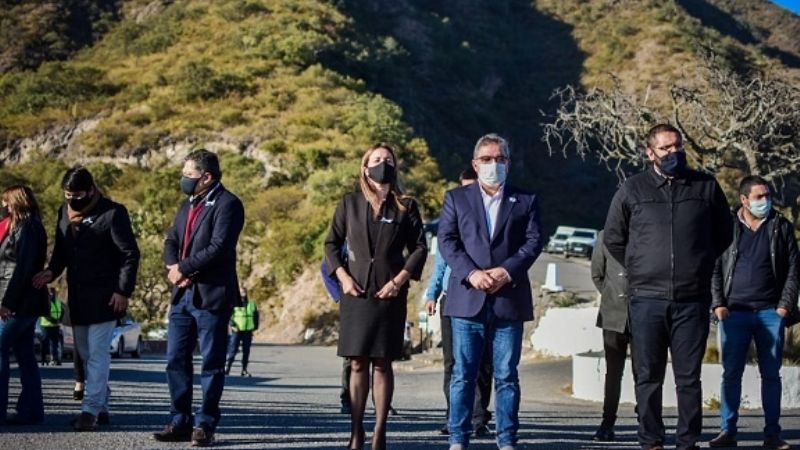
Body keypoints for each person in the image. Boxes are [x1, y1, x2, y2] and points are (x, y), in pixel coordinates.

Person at [603, 123, 733, 450]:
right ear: (650, 153)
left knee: (689, 379)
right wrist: (640, 268)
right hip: (646, 300)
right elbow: (614, 240)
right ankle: (651, 440)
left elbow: (723, 235)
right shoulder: (632, 189)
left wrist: (698, 264)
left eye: (677, 146)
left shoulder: (705, 187)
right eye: (665, 148)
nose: (674, 152)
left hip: (692, 300)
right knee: (648, 377)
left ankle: (687, 441)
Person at [438, 133, 544, 450]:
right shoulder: (456, 198)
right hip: (467, 300)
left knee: (507, 376)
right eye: (486, 159)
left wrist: (506, 270)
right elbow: (448, 241)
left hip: (508, 299)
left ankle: (507, 438)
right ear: (475, 163)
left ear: (508, 163)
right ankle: (458, 437)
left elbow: (534, 242)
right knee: (462, 375)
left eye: (499, 159)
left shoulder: (526, 200)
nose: (493, 164)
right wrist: (471, 273)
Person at [324, 143, 427, 450]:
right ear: (365, 167)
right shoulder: (349, 203)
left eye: (388, 160)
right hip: (355, 292)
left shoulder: (407, 205)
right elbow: (331, 244)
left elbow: (420, 247)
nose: (383, 164)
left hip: (389, 293)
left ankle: (380, 432)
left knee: (382, 363)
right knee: (357, 362)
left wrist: (399, 281)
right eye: (377, 159)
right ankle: (356, 432)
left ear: (395, 167)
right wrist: (341, 277)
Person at [33, 167, 140, 432]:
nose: (72, 200)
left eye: (77, 195)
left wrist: (122, 291)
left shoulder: (113, 212)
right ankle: (101, 401)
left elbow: (129, 254)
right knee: (84, 352)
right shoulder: (63, 212)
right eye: (67, 195)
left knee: (98, 353)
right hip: (77, 297)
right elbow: (61, 251)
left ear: (91, 190)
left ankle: (89, 411)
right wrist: (51, 272)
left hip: (106, 297)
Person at [154, 149, 245, 447]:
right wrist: (173, 267)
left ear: (206, 176)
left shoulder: (228, 204)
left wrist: (185, 268)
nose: (184, 180)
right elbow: (172, 240)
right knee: (176, 360)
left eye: (189, 175)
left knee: (212, 364)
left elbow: (219, 247)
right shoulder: (186, 204)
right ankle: (179, 420)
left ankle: (204, 424)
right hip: (182, 295)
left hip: (211, 295)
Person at [709, 176, 797, 450]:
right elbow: (713, 266)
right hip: (734, 313)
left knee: (771, 374)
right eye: (759, 197)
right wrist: (718, 304)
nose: (765, 201)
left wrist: (784, 306)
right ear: (744, 199)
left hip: (771, 312)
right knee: (731, 373)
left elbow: (795, 269)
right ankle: (727, 432)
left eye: (767, 195)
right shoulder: (726, 227)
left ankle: (772, 434)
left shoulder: (781, 226)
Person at [425, 167, 494, 437]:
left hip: (484, 297)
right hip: (452, 298)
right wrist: (431, 294)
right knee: (453, 363)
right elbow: (441, 261)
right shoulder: (452, 218)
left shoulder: (490, 222)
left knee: (482, 363)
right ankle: (454, 415)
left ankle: (478, 417)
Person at [0, 185, 49, 425]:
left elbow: (21, 269)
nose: (5, 207)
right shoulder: (26, 226)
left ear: (17, 202)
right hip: (25, 302)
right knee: (25, 355)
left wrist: (6, 303)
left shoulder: (26, 228)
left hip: (19, 303)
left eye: (7, 202)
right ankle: (31, 410)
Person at [590, 229, 634, 442]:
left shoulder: (648, 231)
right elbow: (597, 274)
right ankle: (607, 423)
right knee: (613, 373)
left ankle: (649, 422)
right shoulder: (604, 236)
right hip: (613, 315)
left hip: (644, 314)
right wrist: (612, 298)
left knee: (646, 373)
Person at [225, 287, 259, 377]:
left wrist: (255, 327)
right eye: (241, 292)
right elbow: (229, 315)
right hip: (237, 330)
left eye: (244, 292)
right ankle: (227, 369)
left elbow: (256, 316)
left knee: (246, 351)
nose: (243, 293)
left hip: (248, 331)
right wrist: (233, 325)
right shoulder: (234, 303)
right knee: (233, 350)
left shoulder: (251, 303)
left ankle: (244, 370)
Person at [39, 287, 64, 366]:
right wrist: (53, 320)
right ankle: (45, 359)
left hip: (55, 325)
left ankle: (55, 359)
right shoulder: (44, 301)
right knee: (45, 343)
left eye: (53, 292)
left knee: (55, 343)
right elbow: (44, 313)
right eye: (50, 293)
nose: (52, 294)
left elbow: (62, 310)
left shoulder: (57, 300)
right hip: (46, 325)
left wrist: (60, 319)